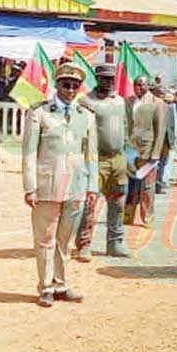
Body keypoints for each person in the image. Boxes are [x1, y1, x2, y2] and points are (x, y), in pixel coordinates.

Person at [22, 63, 98, 308]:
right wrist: (30, 187)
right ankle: (45, 286)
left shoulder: (85, 115)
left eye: (75, 85)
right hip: (48, 185)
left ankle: (60, 283)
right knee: (45, 238)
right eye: (66, 84)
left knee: (65, 238)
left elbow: (91, 154)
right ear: (57, 85)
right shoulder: (40, 113)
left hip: (75, 185)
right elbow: (29, 153)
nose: (71, 89)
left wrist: (92, 186)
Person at [75, 64, 132, 260]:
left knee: (118, 202)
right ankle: (84, 244)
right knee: (90, 203)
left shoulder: (119, 101)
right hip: (96, 159)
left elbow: (126, 128)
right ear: (97, 78)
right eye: (104, 78)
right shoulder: (86, 101)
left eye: (111, 78)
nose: (109, 82)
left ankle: (115, 242)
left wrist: (128, 156)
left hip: (118, 159)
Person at [124, 76, 166, 227]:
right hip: (130, 151)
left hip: (147, 150)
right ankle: (127, 215)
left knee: (147, 186)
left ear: (148, 86)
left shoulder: (158, 104)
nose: (138, 88)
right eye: (136, 85)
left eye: (141, 85)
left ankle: (147, 216)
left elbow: (160, 130)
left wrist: (156, 153)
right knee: (130, 185)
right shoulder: (128, 101)